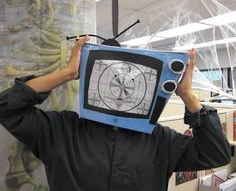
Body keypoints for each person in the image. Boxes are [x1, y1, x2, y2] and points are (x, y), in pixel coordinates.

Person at [0, 35, 231, 191]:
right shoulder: (61, 132)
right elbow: (6, 108)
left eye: (129, 77)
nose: (120, 83)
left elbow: (217, 154)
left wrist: (187, 95)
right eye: (108, 73)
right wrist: (67, 73)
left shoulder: (161, 140)